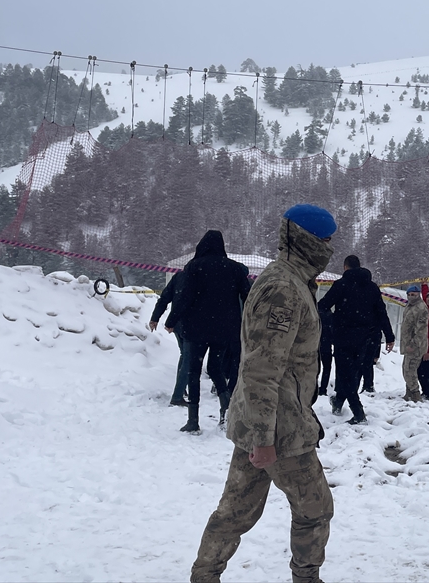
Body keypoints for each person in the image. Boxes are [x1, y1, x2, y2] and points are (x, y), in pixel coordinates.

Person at [190, 204, 337, 583]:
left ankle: (203, 577)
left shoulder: (292, 280)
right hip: (279, 427)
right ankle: (306, 578)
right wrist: (264, 439)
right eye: (324, 240)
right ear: (306, 240)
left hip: (263, 419)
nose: (328, 248)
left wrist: (258, 433)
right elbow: (262, 368)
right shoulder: (283, 289)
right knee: (315, 509)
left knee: (236, 511)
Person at [166, 230, 251, 433]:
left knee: (194, 372)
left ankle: (193, 420)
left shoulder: (194, 266)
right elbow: (248, 297)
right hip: (225, 330)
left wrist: (171, 320)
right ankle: (226, 407)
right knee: (215, 368)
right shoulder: (235, 269)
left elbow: (185, 296)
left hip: (197, 329)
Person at [317, 255, 395, 425]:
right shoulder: (372, 287)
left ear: (345, 267)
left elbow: (322, 305)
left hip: (343, 336)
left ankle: (358, 413)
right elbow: (381, 312)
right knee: (354, 374)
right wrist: (389, 336)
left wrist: (333, 320)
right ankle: (338, 401)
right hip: (365, 338)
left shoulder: (341, 285)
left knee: (344, 374)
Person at [149, 269, 188, 407]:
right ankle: (178, 394)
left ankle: (181, 387)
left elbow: (165, 298)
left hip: (177, 323)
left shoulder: (179, 276)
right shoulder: (201, 276)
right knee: (188, 357)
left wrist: (155, 317)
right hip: (191, 324)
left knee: (185, 355)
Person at [399, 284, 429, 402]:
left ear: (418, 295)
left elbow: (421, 330)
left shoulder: (421, 308)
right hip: (408, 344)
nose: (411, 296)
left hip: (416, 346)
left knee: (409, 371)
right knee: (406, 369)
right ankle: (409, 393)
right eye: (409, 294)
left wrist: (413, 344)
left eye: (414, 294)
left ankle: (415, 395)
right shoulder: (410, 306)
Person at [316, 306, 334, 397]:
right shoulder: (331, 317)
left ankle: (314, 386)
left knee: (315, 368)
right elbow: (333, 332)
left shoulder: (316, 316)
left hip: (316, 345)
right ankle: (323, 388)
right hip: (326, 346)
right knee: (327, 368)